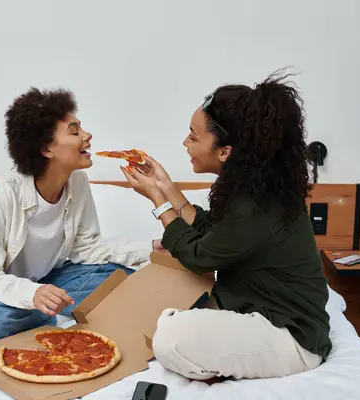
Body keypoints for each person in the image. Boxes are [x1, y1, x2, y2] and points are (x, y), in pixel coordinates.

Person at [121, 71, 333, 381]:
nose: (185, 142)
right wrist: (164, 184)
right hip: (260, 313)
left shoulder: (256, 206)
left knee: (169, 336)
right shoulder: (255, 191)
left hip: (292, 337)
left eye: (193, 136)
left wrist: (158, 199)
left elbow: (199, 256)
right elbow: (214, 233)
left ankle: (210, 361)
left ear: (225, 151)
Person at [0, 88, 151, 339]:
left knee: (124, 279)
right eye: (75, 131)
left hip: (46, 278)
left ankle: (50, 304)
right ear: (47, 149)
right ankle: (49, 309)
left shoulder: (78, 182)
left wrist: (150, 249)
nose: (87, 135)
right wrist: (31, 294)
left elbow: (87, 250)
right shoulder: (2, 195)